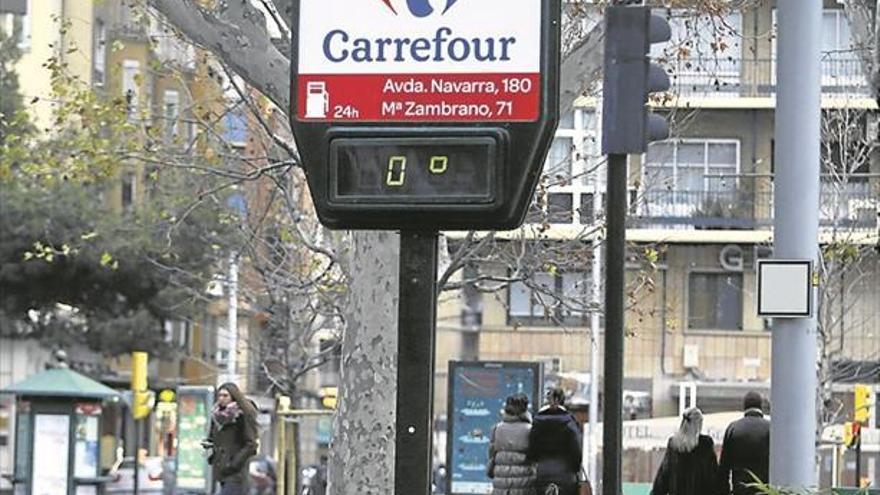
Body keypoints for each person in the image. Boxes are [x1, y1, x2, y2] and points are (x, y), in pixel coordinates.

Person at [204, 382, 258, 495]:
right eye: (219, 395)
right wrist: (210, 448)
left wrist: (234, 464)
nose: (221, 398)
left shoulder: (241, 415)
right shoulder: (217, 415)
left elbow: (251, 444)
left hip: (236, 474)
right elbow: (212, 439)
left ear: (233, 396)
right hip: (221, 471)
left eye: (225, 395)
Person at [650, 407, 719, 495]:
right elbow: (712, 477)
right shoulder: (705, 444)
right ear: (698, 425)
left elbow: (664, 475)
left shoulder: (673, 444)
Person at [527, 388, 582, 495]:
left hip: (543, 471)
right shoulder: (570, 422)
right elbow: (576, 449)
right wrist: (575, 468)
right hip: (566, 473)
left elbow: (532, 449)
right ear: (562, 401)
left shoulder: (538, 421)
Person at [718, 391, 770, 495]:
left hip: (740, 489)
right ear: (761, 406)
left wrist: (725, 491)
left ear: (744, 406)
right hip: (764, 489)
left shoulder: (733, 428)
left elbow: (724, 467)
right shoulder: (770, 428)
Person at [487, 393, 536, 495]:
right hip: (524, 486)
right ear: (525, 409)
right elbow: (535, 457)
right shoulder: (530, 430)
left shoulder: (497, 429)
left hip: (501, 487)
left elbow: (491, 456)